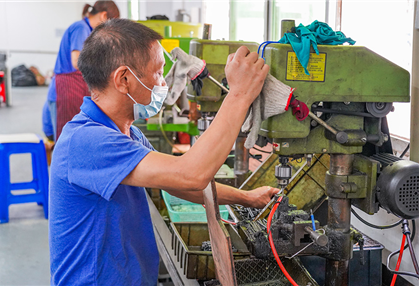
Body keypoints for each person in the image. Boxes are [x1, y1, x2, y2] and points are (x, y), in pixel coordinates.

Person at [49, 19, 281, 285]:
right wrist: (239, 94)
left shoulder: (126, 133)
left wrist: (247, 198)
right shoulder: (87, 141)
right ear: (124, 79)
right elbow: (191, 175)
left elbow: (180, 186)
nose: (164, 83)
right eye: (158, 73)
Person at [46, 0, 119, 141]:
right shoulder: (81, 28)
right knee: (65, 139)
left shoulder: (87, 30)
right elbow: (76, 61)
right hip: (66, 90)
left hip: (72, 89)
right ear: (104, 16)